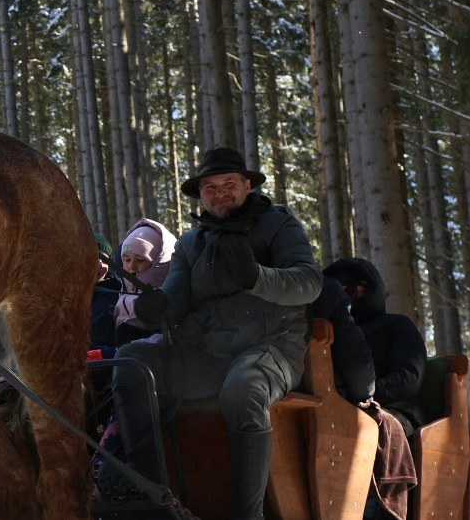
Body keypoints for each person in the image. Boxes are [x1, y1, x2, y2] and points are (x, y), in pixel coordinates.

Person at [111, 147, 321, 519]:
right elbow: (174, 300)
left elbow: (309, 283)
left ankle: (248, 515)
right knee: (131, 362)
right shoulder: (190, 244)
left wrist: (257, 277)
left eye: (229, 184)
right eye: (211, 187)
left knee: (244, 389)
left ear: (247, 186)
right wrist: (156, 307)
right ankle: (156, 500)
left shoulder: (278, 225)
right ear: (201, 194)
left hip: (270, 347)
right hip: (206, 355)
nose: (220, 193)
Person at [323, 257, 426, 436]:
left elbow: (408, 379)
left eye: (351, 291)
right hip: (333, 406)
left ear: (370, 289)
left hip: (394, 411)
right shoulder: (329, 333)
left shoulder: (397, 325)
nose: (345, 299)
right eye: (338, 294)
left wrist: (360, 395)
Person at [112, 219, 177, 346]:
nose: (131, 267)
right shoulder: (120, 293)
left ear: (159, 261)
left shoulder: (177, 293)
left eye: (140, 260)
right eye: (127, 260)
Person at [313, 276, 376, 404]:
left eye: (354, 292)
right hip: (315, 396)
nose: (350, 298)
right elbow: (362, 380)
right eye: (350, 291)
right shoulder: (328, 290)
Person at [91, 232, 121, 351]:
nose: (99, 264)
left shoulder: (118, 292)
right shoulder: (65, 295)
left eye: (104, 259)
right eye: (93, 257)